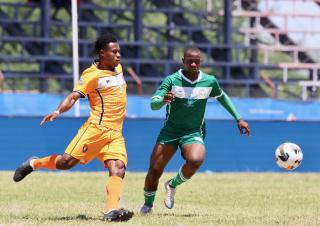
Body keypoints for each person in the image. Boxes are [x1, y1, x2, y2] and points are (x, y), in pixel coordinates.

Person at [13, 34, 133, 222]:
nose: (119, 55)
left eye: (119, 51)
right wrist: (58, 111)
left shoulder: (118, 68)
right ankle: (34, 163)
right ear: (102, 53)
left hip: (115, 132)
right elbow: (73, 97)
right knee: (65, 163)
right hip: (95, 130)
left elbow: (116, 94)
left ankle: (111, 210)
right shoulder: (91, 75)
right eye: (114, 51)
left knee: (118, 168)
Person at [140, 47, 251, 215]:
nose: (193, 63)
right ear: (182, 60)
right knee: (154, 171)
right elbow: (153, 103)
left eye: (197, 61)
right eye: (189, 60)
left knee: (196, 160)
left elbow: (222, 97)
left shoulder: (209, 81)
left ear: (201, 62)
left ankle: (172, 185)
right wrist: (163, 100)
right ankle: (148, 205)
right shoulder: (172, 80)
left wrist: (238, 118)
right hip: (170, 132)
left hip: (193, 132)